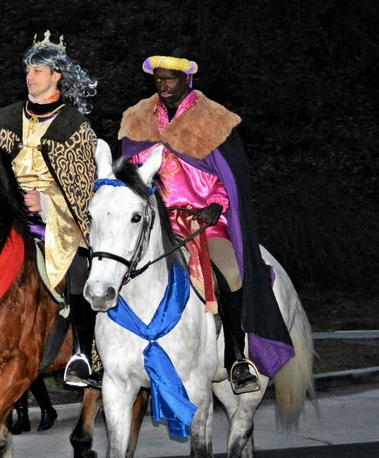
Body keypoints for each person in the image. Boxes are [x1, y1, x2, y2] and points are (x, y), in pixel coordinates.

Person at [117, 49, 295, 393]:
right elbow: (130, 177)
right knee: (112, 265)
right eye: (158, 79)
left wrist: (216, 204)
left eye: (170, 79)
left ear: (187, 79)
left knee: (230, 274)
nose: (163, 85)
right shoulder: (138, 119)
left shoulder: (214, 120)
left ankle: (236, 357)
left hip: (203, 222)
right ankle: (105, 356)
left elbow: (231, 179)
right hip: (156, 223)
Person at [0, 30, 101, 388]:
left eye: (37, 71)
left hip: (59, 224)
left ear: (56, 76)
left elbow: (85, 188)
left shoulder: (75, 126)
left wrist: (47, 202)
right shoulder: (5, 119)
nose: (30, 77)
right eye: (28, 70)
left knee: (80, 267)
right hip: (9, 218)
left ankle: (83, 353)